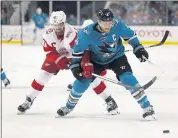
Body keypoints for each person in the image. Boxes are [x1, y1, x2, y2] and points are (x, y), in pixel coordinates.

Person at [56, 8, 156, 121]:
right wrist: (75, 66)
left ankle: (147, 107)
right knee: (82, 81)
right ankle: (68, 107)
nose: (108, 24)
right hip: (96, 61)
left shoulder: (117, 24)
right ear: (98, 21)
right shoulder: (86, 33)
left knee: (127, 78)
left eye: (110, 21)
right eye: (105, 21)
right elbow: (78, 51)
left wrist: (138, 48)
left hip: (117, 57)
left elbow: (130, 36)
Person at [17, 11, 119, 115]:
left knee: (90, 78)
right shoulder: (48, 34)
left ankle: (109, 100)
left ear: (64, 23)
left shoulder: (72, 34)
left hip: (74, 56)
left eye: (60, 24)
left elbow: (82, 50)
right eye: (55, 25)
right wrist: (58, 60)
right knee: (42, 76)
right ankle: (28, 100)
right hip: (57, 56)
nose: (58, 28)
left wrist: (85, 64)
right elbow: (49, 51)